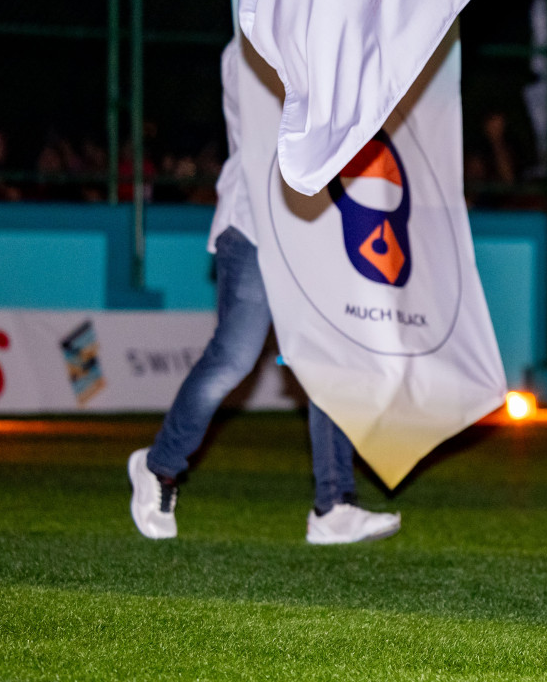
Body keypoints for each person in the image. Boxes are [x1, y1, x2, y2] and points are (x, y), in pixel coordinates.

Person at [127, 40, 401, 546]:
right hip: (254, 223)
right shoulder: (249, 46)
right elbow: (276, 135)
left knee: (329, 359)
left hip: (315, 226)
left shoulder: (330, 41)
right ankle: (159, 467)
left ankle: (334, 504)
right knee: (235, 357)